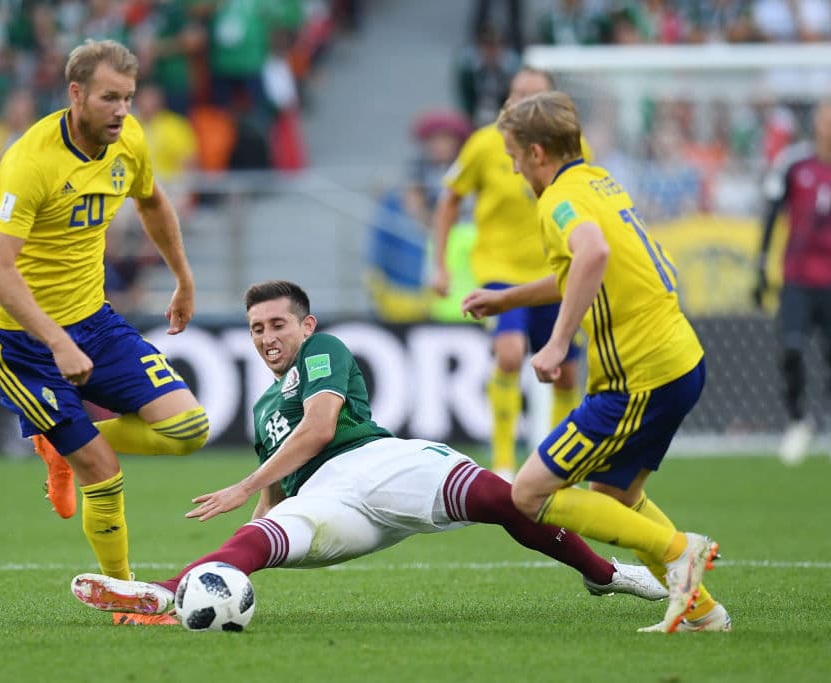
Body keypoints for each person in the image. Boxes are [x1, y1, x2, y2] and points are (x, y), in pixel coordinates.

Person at [68, 280, 668, 625]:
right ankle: (169, 594)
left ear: (306, 326)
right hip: (330, 503)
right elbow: (279, 488)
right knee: (265, 538)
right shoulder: (261, 412)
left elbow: (321, 428)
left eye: (278, 324)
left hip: (381, 463)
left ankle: (606, 575)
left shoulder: (323, 348)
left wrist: (243, 486)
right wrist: (255, 522)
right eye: (256, 329)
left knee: (506, 499)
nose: (267, 337)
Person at [461, 91, 729, 633]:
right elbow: (583, 266)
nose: (511, 167)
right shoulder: (597, 180)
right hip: (677, 361)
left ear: (537, 152)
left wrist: (558, 343)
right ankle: (703, 613)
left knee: (529, 494)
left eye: (513, 155)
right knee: (615, 496)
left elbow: (593, 254)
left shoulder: (558, 200)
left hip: (637, 377)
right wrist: (508, 298)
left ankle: (681, 550)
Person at [0, 39, 210, 623]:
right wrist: (56, 341)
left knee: (189, 428)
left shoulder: (127, 140)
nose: (122, 110)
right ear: (76, 93)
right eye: (110, 97)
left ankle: (62, 441)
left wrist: (182, 277)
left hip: (96, 322)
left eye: (128, 98)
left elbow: (153, 201)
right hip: (23, 344)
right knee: (103, 472)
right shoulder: (30, 161)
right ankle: (125, 598)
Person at [431, 68, 584, 482]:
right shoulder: (483, 144)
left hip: (554, 274)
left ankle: (556, 461)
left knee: (565, 373)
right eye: (517, 94)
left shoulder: (572, 146)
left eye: (532, 95)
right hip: (500, 272)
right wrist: (440, 264)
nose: (521, 102)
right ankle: (501, 462)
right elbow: (449, 202)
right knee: (511, 353)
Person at [754, 100, 831, 465]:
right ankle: (798, 422)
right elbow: (771, 213)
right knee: (792, 348)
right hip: (799, 278)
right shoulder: (795, 163)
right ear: (815, 123)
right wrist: (760, 265)